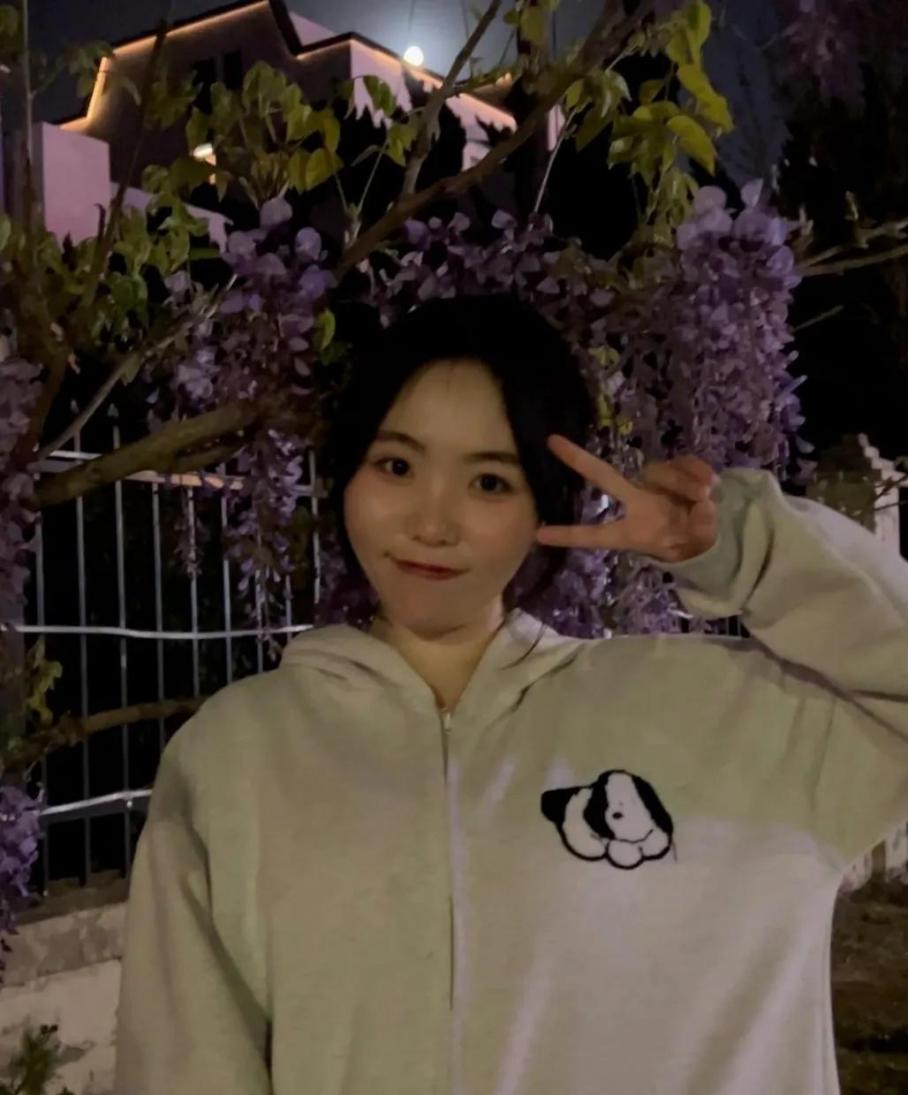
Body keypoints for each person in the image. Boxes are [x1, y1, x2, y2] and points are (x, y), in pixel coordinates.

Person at [114, 293, 908, 1095]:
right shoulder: (237, 754)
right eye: (396, 466)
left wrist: (745, 549)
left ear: (548, 507)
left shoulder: (703, 713)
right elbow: (184, 1067)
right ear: (345, 476)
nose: (433, 523)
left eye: (490, 482)